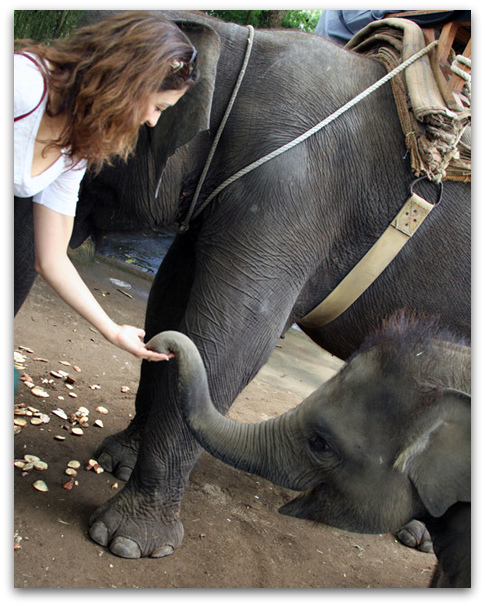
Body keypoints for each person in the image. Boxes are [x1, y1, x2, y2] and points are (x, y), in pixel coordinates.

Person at [14, 11, 198, 362]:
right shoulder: (24, 85)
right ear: (131, 81)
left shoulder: (75, 147)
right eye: (157, 106)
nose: (151, 120)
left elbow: (51, 258)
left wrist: (113, 330)